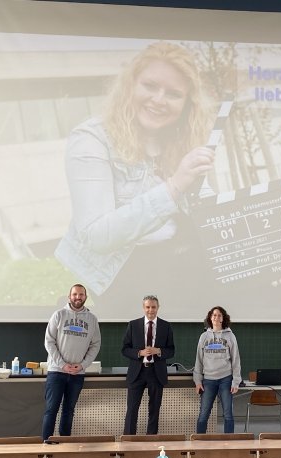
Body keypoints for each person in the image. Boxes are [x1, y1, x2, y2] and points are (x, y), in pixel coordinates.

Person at [55, 42, 215, 309]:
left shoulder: (182, 139)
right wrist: (174, 186)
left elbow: (206, 212)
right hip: (121, 271)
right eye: (150, 86)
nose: (159, 100)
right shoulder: (91, 139)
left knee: (254, 290)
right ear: (131, 86)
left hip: (179, 258)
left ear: (188, 104)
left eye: (174, 94)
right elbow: (97, 236)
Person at [42, 284, 101, 440]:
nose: (78, 297)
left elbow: (96, 345)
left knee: (69, 410)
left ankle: (65, 444)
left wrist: (82, 365)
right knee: (51, 410)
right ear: (69, 296)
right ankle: (45, 445)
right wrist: (62, 364)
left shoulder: (92, 319)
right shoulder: (59, 315)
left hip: (77, 373)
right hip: (56, 372)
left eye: (81, 294)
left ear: (85, 297)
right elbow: (49, 342)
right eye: (75, 294)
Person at [122, 294, 175, 434]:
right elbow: (125, 349)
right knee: (132, 409)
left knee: (154, 410)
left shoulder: (166, 326)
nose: (150, 310)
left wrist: (159, 351)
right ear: (143, 308)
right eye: (147, 307)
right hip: (137, 373)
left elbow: (171, 351)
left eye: (153, 307)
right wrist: (139, 353)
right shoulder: (133, 325)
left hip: (156, 373)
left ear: (158, 308)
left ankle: (151, 441)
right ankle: (128, 441)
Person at [193, 306, 242, 433]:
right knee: (203, 414)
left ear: (223, 319)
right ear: (210, 318)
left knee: (228, 414)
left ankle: (229, 443)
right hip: (208, 380)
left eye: (219, 315)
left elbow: (236, 359)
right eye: (214, 315)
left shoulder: (230, 336)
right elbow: (199, 359)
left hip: (226, 379)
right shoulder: (204, 337)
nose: (216, 317)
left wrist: (236, 381)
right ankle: (199, 443)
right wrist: (198, 380)